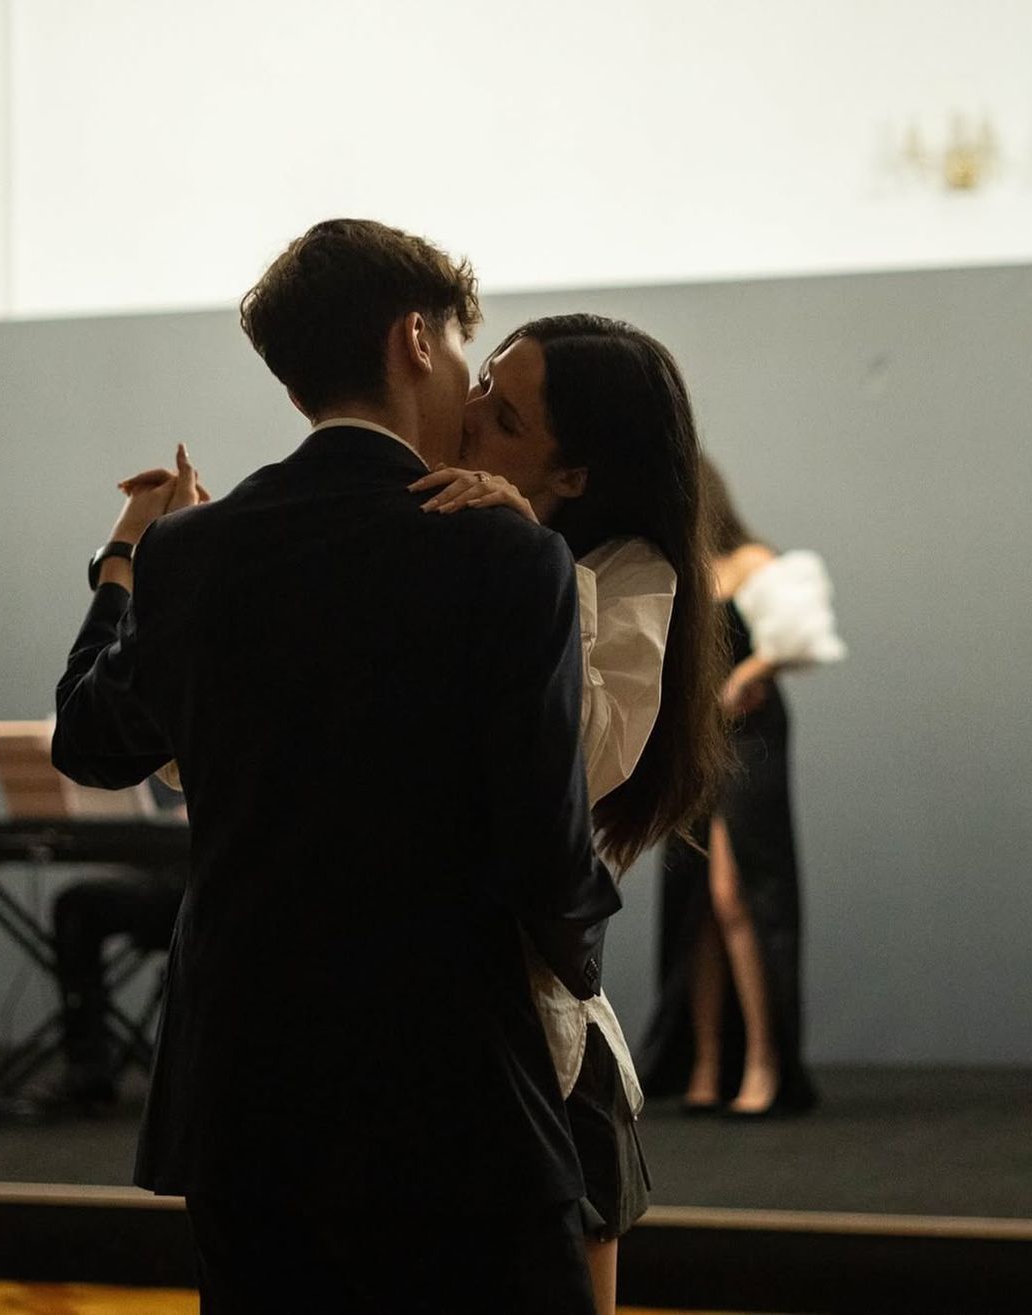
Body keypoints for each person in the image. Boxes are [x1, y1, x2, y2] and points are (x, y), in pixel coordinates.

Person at [52, 219, 622, 1315]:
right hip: (452, 1086)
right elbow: (544, 852)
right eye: (463, 348)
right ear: (415, 338)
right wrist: (575, 985)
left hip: (243, 1098)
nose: (467, 384)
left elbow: (90, 739)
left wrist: (125, 555)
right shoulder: (505, 552)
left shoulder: (193, 552)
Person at [408, 315, 728, 1315]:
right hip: (399, 1028)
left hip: (532, 1043)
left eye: (503, 417)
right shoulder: (421, 522)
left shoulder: (626, 571)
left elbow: (582, 759)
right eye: (482, 383)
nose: (466, 413)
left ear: (575, 475)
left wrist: (530, 565)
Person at [638, 456, 846, 1117]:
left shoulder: (753, 562)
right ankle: (705, 1062)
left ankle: (764, 1061)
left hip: (750, 737)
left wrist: (748, 672)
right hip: (694, 740)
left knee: (739, 891)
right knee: (695, 902)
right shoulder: (675, 572)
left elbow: (802, 637)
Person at [48, 774, 186, 1111]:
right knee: (77, 907)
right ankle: (89, 1066)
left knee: (79, 906)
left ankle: (90, 1063)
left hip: (206, 882)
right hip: (168, 872)